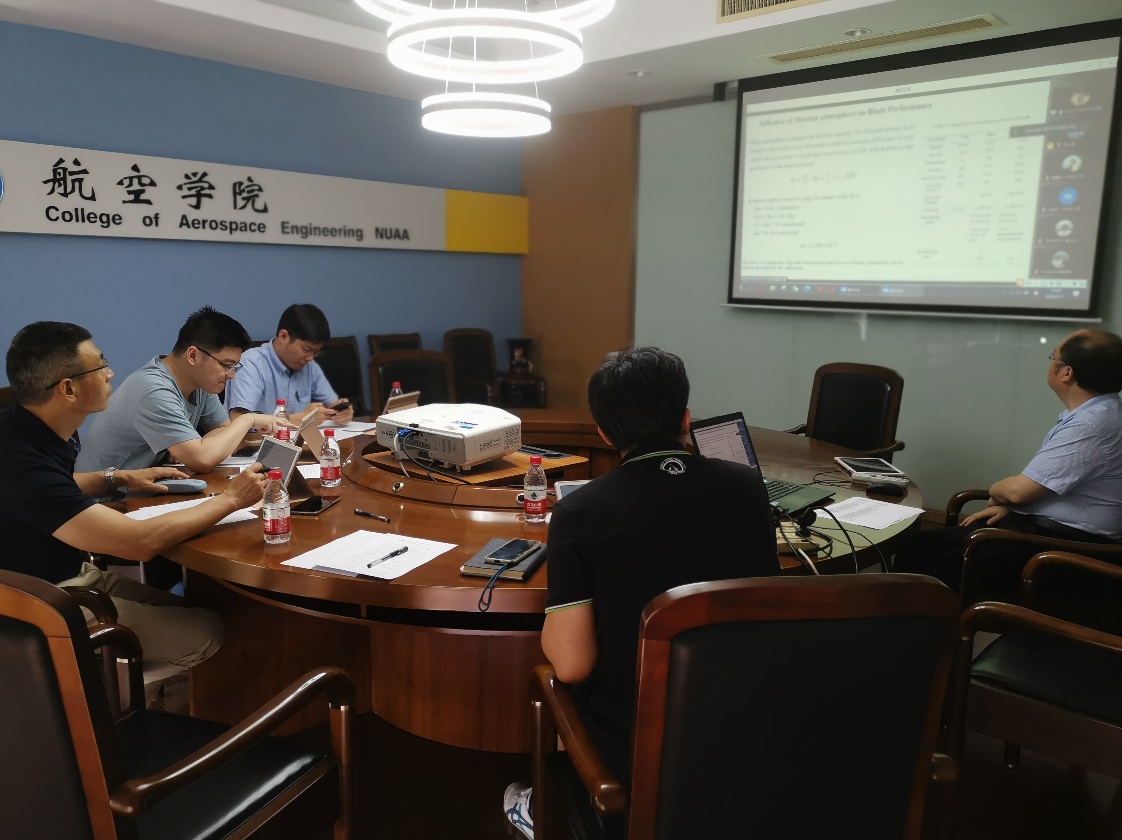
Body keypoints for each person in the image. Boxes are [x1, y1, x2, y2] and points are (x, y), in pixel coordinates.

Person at [503, 347, 780, 840]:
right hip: (746, 727)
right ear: (686, 419)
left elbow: (572, 666)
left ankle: (541, 808)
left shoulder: (580, 512)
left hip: (634, 749)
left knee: (556, 682)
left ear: (604, 433)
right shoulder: (747, 487)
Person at [0, 321, 269, 677]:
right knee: (208, 631)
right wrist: (231, 500)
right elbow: (139, 544)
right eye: (100, 366)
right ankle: (96, 701)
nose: (110, 373)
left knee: (205, 609)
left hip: (70, 572)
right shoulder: (20, 461)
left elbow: (56, 487)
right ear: (68, 389)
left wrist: (117, 477)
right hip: (36, 600)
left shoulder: (31, 427)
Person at [894, 329, 1122, 597]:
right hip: (1045, 529)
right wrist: (1014, 507)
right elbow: (1048, 486)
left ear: (1066, 373)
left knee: (924, 569)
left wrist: (999, 493)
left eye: (1053, 357)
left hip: (1066, 549)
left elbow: (1017, 491)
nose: (1050, 362)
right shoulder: (1102, 413)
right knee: (917, 546)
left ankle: (926, 620)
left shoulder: (1093, 424)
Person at [75, 306, 293, 474]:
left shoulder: (200, 382)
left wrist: (195, 447)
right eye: (226, 365)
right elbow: (203, 460)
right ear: (193, 355)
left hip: (144, 487)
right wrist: (247, 420)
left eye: (235, 367)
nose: (231, 375)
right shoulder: (153, 389)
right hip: (105, 499)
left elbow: (223, 431)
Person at [225, 303, 355, 427]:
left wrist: (341, 412)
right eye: (306, 350)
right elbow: (239, 419)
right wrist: (300, 419)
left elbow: (332, 404)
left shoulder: (310, 366)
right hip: (255, 442)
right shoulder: (252, 363)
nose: (310, 358)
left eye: (316, 352)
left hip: (297, 440)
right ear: (283, 336)